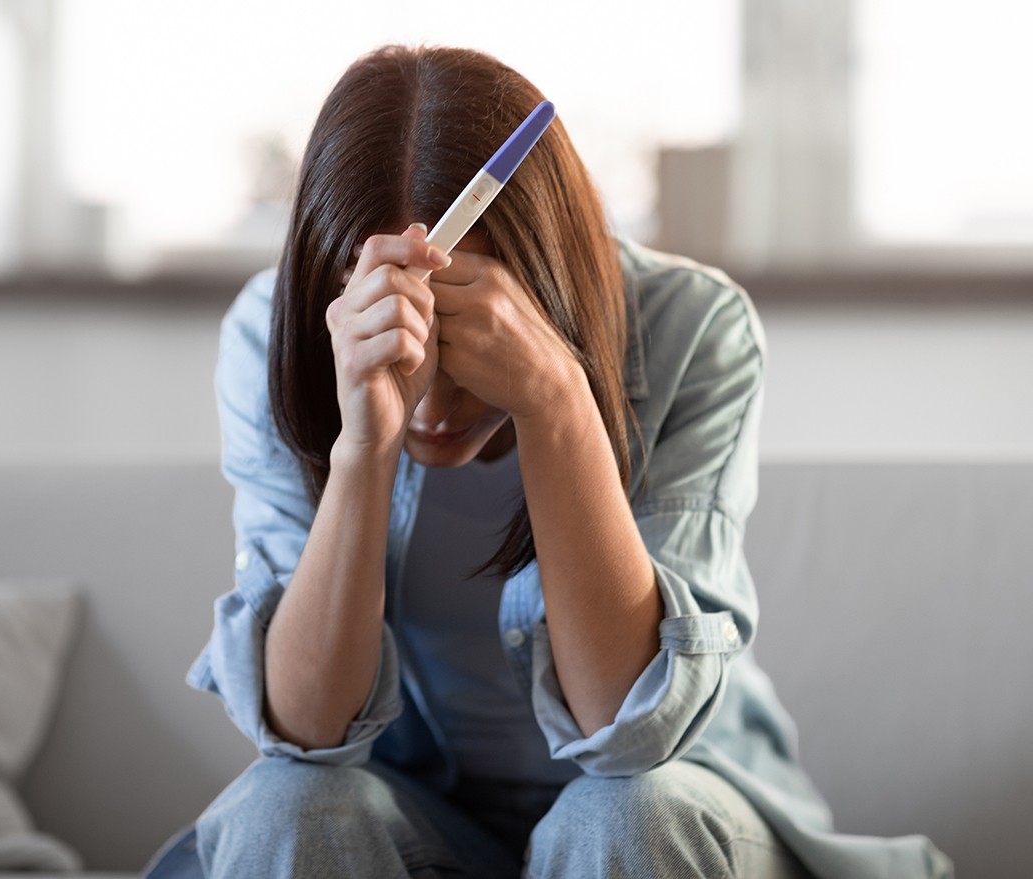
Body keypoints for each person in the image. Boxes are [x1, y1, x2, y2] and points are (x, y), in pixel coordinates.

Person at [162, 45, 953, 879]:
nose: (429, 403)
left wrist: (559, 402)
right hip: (420, 812)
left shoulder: (694, 328)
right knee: (285, 805)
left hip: (673, 801)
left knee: (627, 816)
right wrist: (362, 447)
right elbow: (306, 731)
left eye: (461, 340)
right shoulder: (272, 333)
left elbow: (631, 731)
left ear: (544, 281)